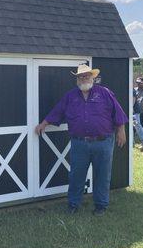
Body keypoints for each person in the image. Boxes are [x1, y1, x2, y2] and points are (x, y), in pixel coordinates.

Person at [35, 64, 127, 215]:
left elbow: (118, 112)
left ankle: (101, 205)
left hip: (103, 142)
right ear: (77, 79)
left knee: (102, 175)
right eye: (80, 76)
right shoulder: (70, 96)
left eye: (86, 76)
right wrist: (44, 123)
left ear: (93, 77)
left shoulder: (104, 93)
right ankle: (73, 204)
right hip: (79, 143)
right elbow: (57, 111)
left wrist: (121, 131)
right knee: (76, 175)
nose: (83, 78)